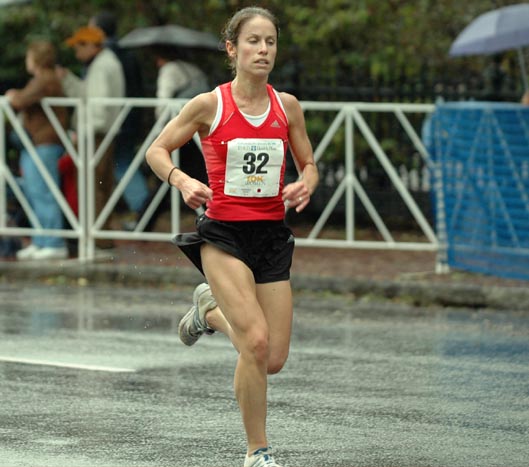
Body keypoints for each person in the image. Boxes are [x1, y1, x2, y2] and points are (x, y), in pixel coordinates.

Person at [145, 7, 318, 467]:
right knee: (255, 342)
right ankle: (257, 452)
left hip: (271, 238)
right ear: (232, 49)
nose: (263, 50)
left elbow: (310, 164)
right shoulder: (209, 105)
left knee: (273, 357)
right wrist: (182, 181)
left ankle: (208, 311)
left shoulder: (288, 106)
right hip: (223, 235)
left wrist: (307, 183)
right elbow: (156, 150)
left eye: (270, 42)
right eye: (253, 42)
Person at [58, 25, 125, 249]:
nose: (76, 52)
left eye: (79, 46)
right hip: (102, 132)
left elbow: (98, 104)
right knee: (100, 183)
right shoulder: (103, 63)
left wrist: (83, 132)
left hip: (97, 133)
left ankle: (99, 239)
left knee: (94, 185)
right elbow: (89, 94)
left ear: (90, 46)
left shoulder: (102, 66)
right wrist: (68, 79)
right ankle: (101, 237)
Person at [6, 40, 69, 260]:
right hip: (37, 143)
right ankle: (41, 240)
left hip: (45, 142)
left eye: (29, 56)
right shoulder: (43, 79)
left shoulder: (45, 79)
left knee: (43, 192)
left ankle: (53, 242)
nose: (26, 60)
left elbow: (21, 100)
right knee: (34, 192)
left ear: (37, 59)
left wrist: (13, 96)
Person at [89, 11, 150, 219]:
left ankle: (143, 210)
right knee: (122, 164)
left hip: (118, 120)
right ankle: (143, 210)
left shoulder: (107, 56)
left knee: (121, 164)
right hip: (129, 117)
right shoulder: (126, 53)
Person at [154, 46, 210, 121]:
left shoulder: (168, 69)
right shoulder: (190, 66)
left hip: (183, 112)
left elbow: (164, 95)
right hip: (203, 109)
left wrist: (160, 117)